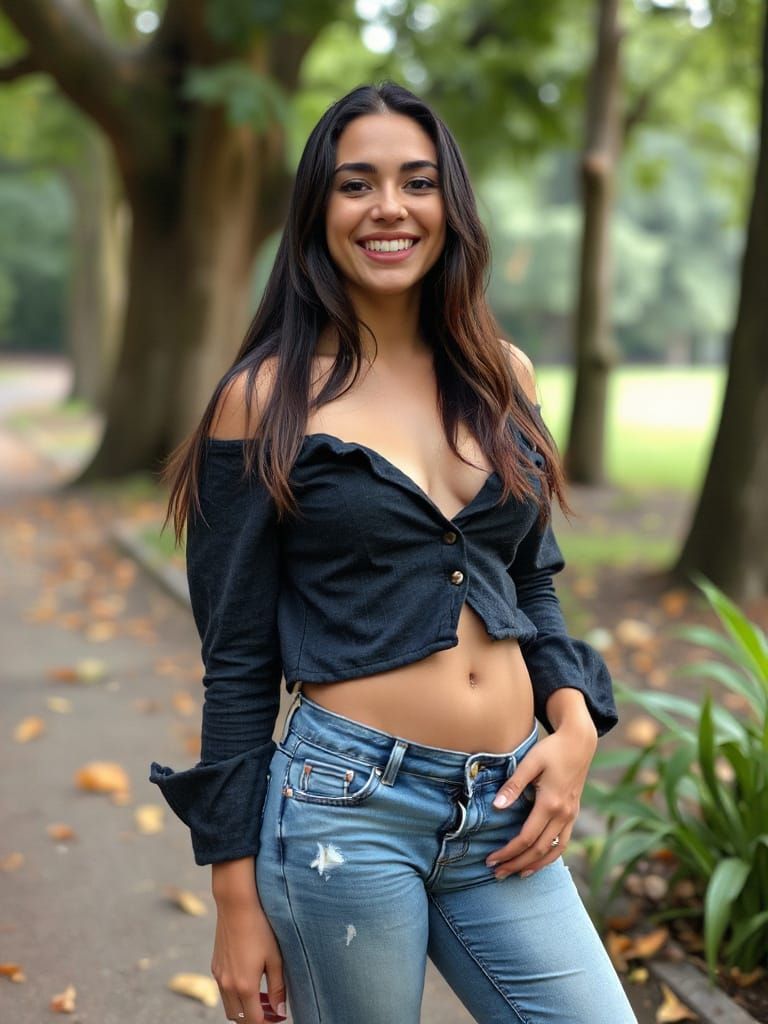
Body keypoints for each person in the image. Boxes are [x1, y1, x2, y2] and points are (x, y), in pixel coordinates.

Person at [150, 81, 637, 1024]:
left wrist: (572, 726)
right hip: (345, 814)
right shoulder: (264, 401)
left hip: (506, 805)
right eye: (355, 184)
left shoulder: (504, 375)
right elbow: (238, 662)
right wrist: (234, 897)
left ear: (449, 208)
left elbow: (527, 580)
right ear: (316, 212)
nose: (388, 208)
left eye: (416, 182)